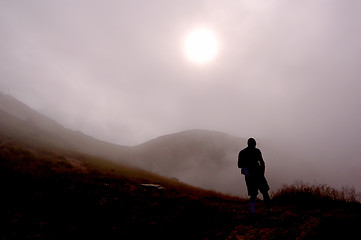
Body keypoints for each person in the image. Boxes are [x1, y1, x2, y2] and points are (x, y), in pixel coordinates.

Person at [238, 138, 271, 214]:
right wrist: (262, 172)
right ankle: (267, 209)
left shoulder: (243, 152)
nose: (254, 146)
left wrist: (248, 171)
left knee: (255, 194)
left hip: (252, 176)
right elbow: (262, 163)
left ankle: (253, 210)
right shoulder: (256, 151)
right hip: (257, 175)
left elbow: (240, 165)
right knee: (263, 193)